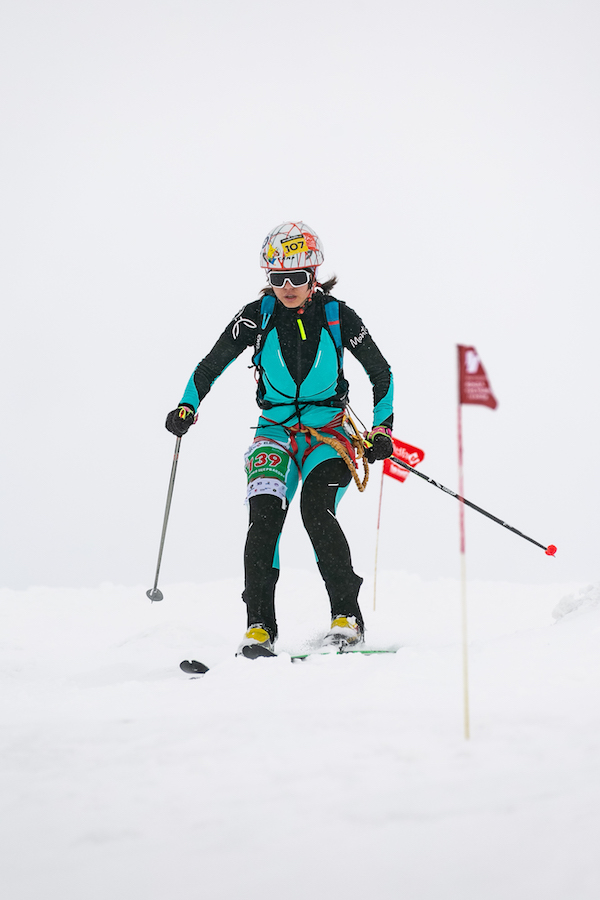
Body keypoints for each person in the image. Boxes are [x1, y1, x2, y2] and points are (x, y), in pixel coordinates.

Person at [165, 221, 394, 657]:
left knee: (316, 510)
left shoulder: (338, 316)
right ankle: (259, 628)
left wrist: (382, 430)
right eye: (278, 278)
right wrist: (186, 406)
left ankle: (347, 618)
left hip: (329, 435)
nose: (288, 287)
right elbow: (211, 364)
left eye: (298, 277)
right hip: (273, 435)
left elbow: (380, 372)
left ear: (314, 275)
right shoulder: (257, 315)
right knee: (264, 519)